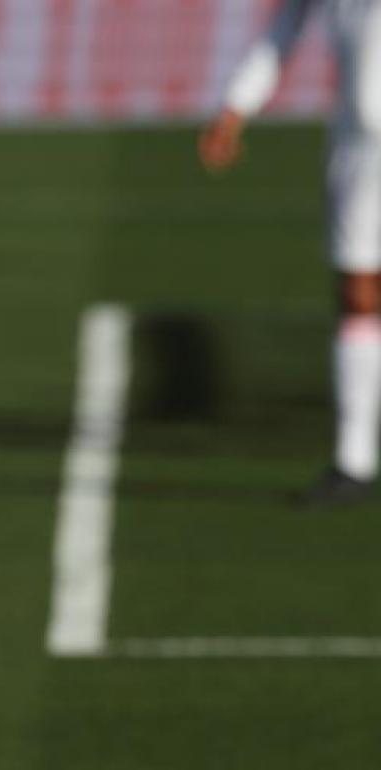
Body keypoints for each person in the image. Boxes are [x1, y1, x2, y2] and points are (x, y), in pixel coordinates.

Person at [200, 0, 381, 506]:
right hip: (358, 149)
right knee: (358, 292)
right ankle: (354, 459)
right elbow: (285, 25)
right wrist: (237, 105)